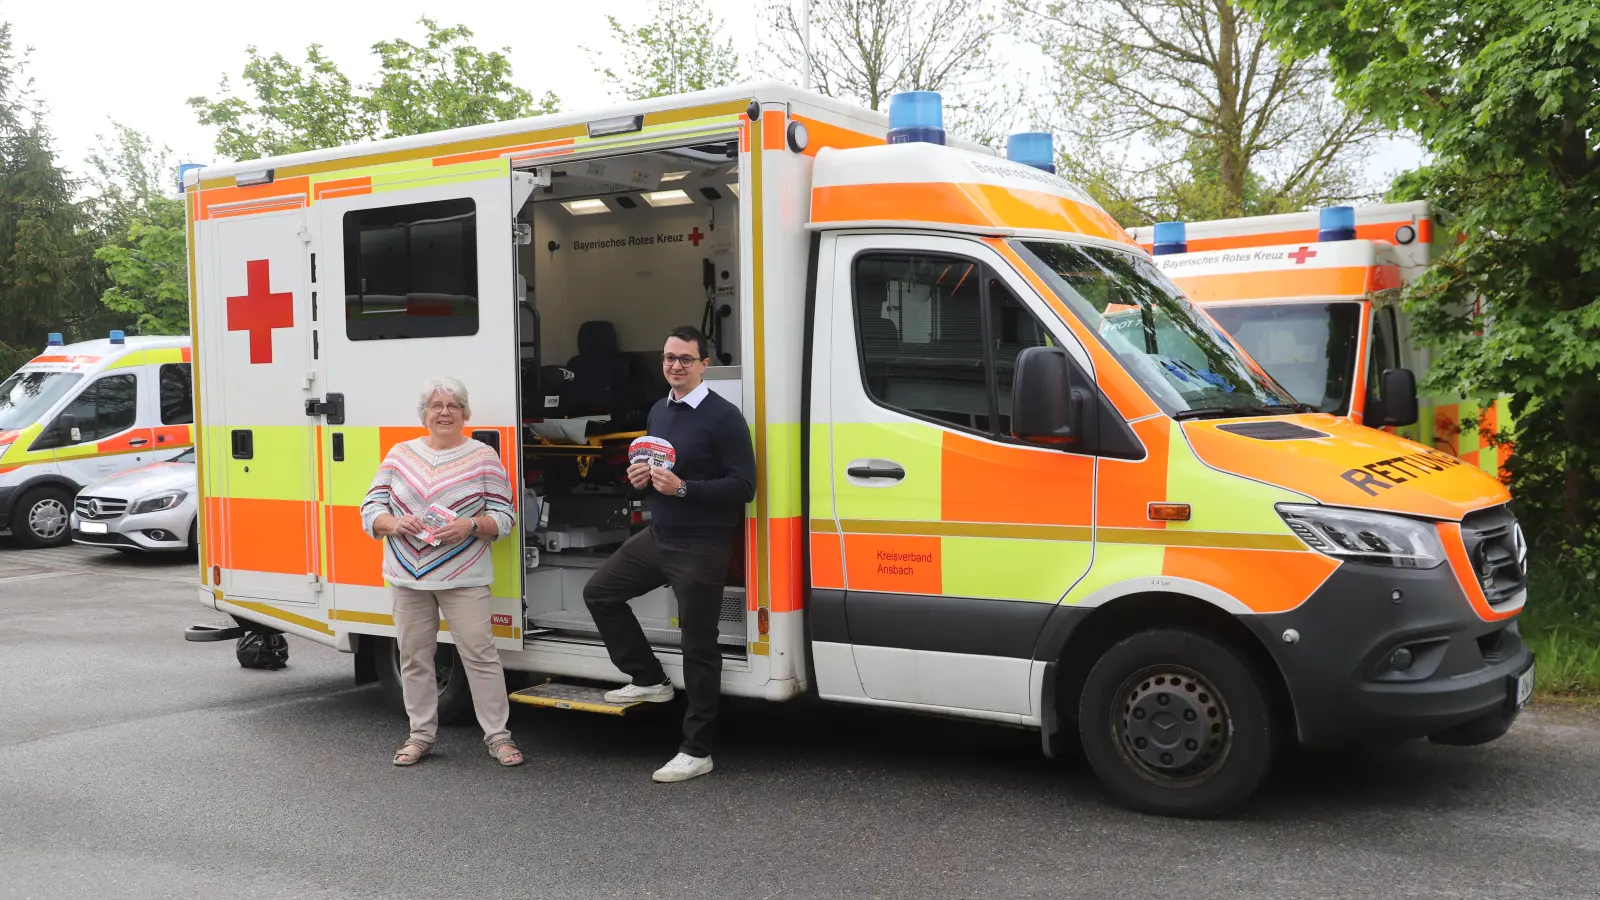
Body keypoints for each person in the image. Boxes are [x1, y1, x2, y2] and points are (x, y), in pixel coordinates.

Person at [583, 326, 756, 783]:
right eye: (668, 358)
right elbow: (656, 471)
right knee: (600, 593)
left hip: (703, 544)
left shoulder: (724, 417)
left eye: (685, 359)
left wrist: (683, 488)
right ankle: (648, 678)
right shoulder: (659, 410)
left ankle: (697, 750)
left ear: (704, 365)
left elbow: (744, 487)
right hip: (660, 535)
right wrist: (640, 480)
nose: (675, 366)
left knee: (698, 645)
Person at [361, 377, 522, 768]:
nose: (445, 412)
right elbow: (370, 508)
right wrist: (394, 523)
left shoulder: (483, 456)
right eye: (436, 405)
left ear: (465, 414)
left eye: (453, 405)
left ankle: (499, 738)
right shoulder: (399, 454)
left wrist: (471, 525)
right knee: (415, 658)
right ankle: (420, 736)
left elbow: (505, 515)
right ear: (425, 414)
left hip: (465, 577)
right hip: (406, 575)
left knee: (480, 656)